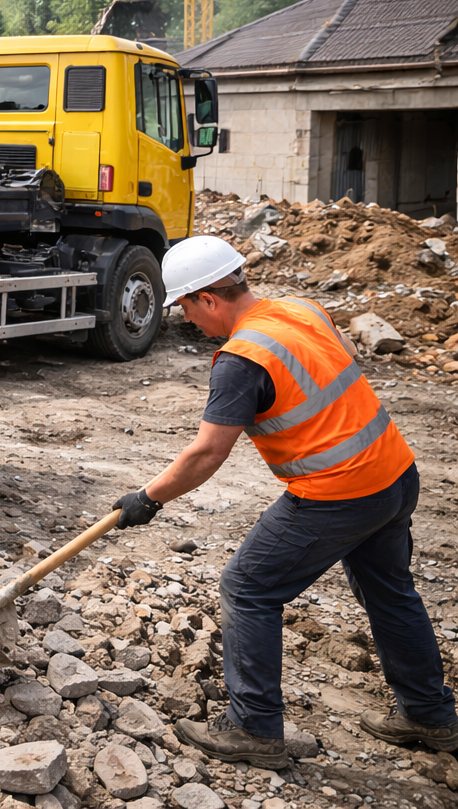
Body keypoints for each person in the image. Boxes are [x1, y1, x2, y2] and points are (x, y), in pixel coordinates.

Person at [110, 234, 457, 768]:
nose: (186, 319)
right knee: (390, 592)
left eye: (184, 306)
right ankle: (430, 716)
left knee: (247, 587)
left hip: (338, 493)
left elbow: (207, 452)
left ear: (208, 298)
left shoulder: (241, 359)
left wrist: (147, 499)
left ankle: (253, 727)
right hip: (393, 473)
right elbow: (330, 374)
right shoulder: (302, 308)